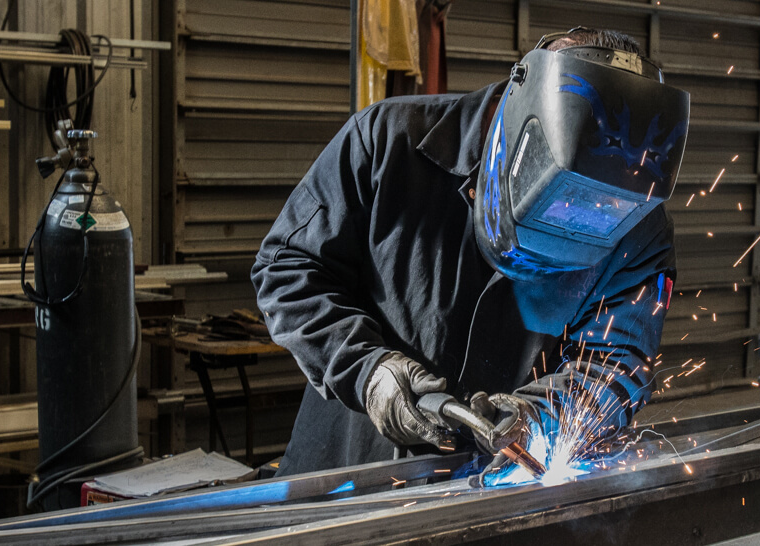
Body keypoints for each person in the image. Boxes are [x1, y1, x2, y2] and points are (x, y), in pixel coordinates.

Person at [251, 27, 690, 479]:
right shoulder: (387, 142)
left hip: (495, 493)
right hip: (348, 477)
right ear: (515, 118)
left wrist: (542, 417)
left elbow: (617, 361)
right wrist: (367, 370)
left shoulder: (639, 222)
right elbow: (287, 267)